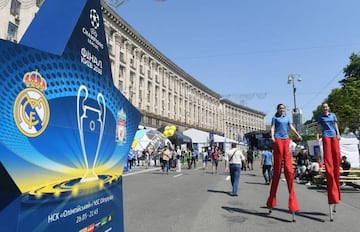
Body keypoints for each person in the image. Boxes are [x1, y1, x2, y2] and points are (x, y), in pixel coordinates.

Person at [266, 103, 302, 222]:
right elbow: (272, 128)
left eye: (283, 109)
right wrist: (272, 137)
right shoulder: (274, 118)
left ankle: (293, 202)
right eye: (280, 108)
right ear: (277, 109)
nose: (282, 110)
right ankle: (271, 200)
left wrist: (297, 134)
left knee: (288, 168)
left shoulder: (286, 118)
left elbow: (291, 127)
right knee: (277, 172)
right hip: (278, 140)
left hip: (286, 140)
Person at [316, 102, 341, 221]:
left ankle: (336, 168)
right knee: (329, 160)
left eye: (326, 107)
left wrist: (338, 134)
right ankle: (329, 167)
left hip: (333, 136)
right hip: (326, 136)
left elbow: (335, 125)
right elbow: (319, 127)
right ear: (323, 109)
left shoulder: (333, 115)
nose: (325, 108)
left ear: (329, 108)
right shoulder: (321, 117)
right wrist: (318, 135)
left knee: (336, 156)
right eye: (324, 107)